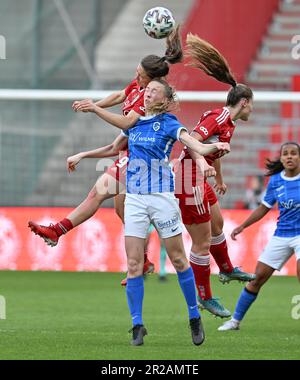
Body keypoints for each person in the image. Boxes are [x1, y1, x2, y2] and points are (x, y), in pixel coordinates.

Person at [28, 26, 183, 281]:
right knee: (123, 212)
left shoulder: (150, 97)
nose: (137, 78)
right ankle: (143, 261)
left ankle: (57, 231)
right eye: (137, 73)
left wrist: (94, 110)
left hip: (139, 163)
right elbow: (120, 95)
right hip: (128, 156)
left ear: (152, 79)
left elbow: (126, 124)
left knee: (97, 193)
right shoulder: (138, 86)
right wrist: (94, 104)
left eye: (141, 75)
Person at [121, 78, 230, 346]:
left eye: (154, 91)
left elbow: (193, 143)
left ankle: (194, 316)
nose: (148, 93)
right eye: (146, 90)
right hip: (134, 199)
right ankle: (137, 325)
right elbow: (113, 148)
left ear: (165, 99)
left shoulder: (169, 123)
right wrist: (82, 156)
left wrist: (209, 149)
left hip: (162, 198)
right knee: (134, 264)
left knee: (179, 260)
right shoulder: (132, 122)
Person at [175, 34, 256, 318]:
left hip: (200, 176)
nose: (252, 109)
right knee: (201, 242)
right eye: (251, 104)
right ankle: (205, 297)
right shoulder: (218, 119)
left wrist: (216, 176)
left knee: (218, 224)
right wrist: (203, 165)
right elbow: (192, 141)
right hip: (187, 176)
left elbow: (213, 150)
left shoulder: (227, 123)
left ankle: (226, 269)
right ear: (244, 102)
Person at [218, 142, 300, 331]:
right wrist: (243, 226)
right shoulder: (276, 181)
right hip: (282, 234)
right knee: (257, 278)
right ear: (281, 158)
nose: (289, 157)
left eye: (293, 153)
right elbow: (264, 208)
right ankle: (235, 321)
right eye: (285, 154)